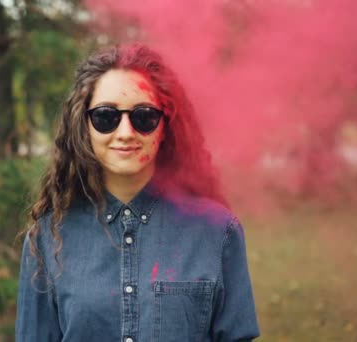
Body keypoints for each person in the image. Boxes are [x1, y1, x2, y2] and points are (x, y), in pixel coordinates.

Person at [16, 43, 260, 342]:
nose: (126, 132)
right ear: (84, 125)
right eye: (106, 117)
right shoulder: (47, 239)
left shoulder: (218, 231)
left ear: (165, 125)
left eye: (144, 117)